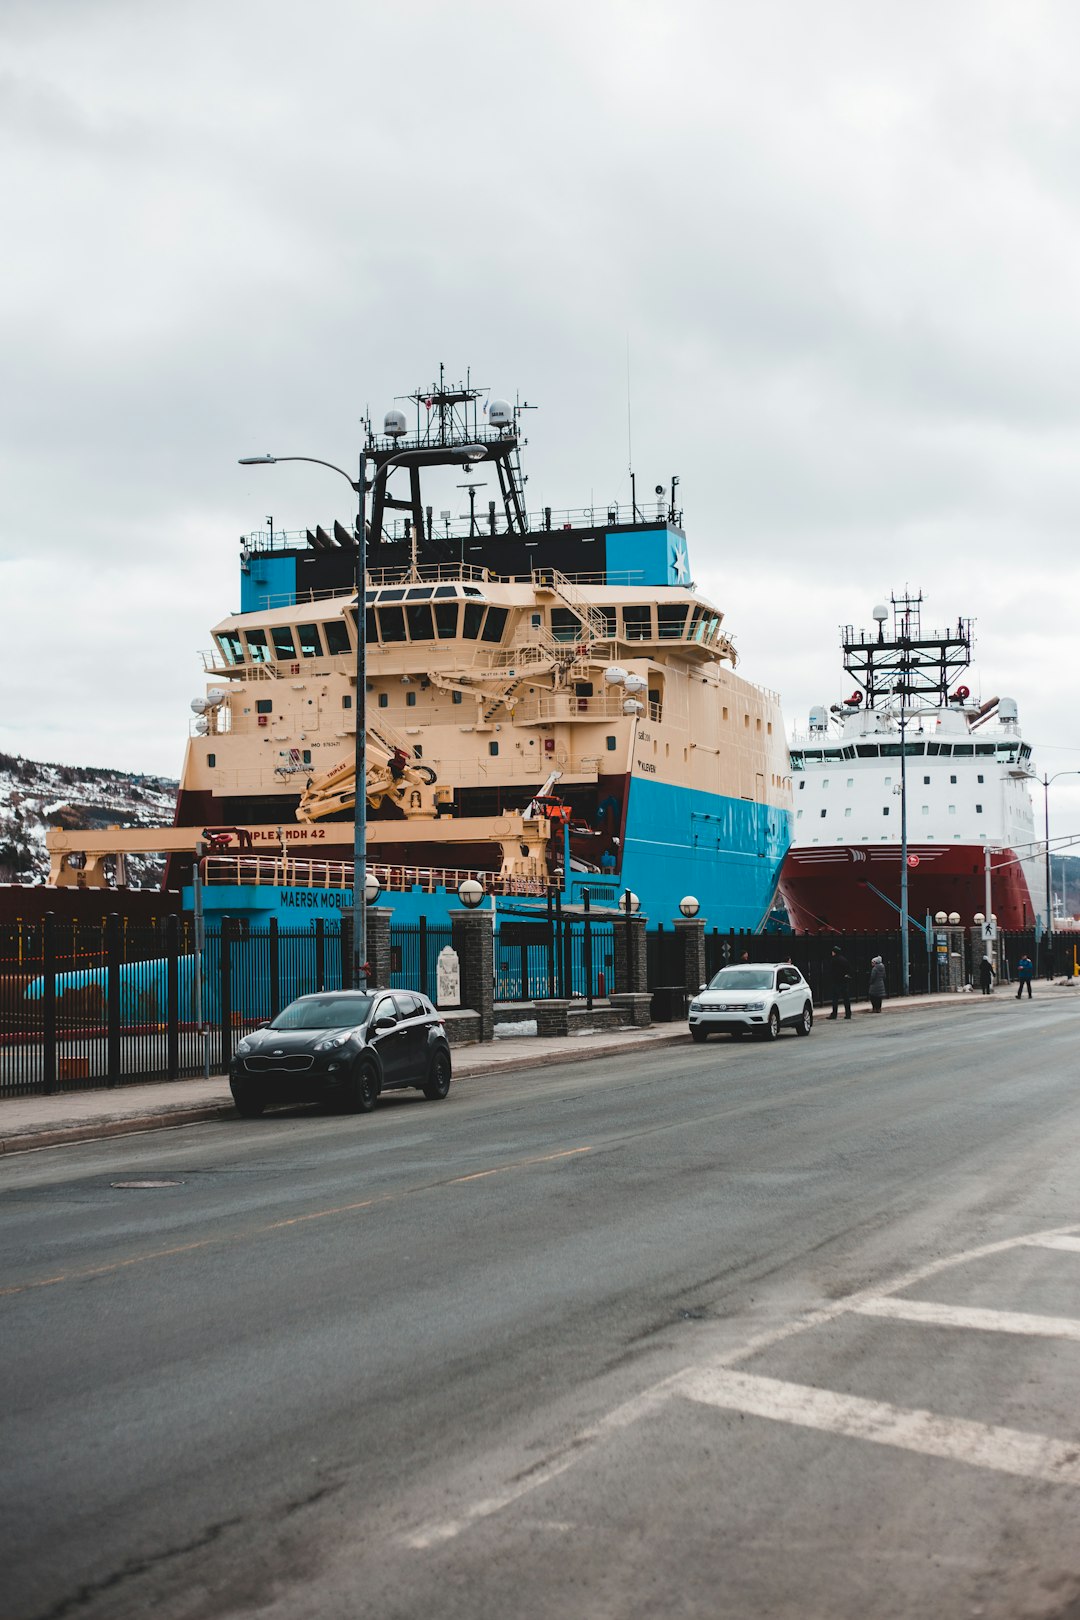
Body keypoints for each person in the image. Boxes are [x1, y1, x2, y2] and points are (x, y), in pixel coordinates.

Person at [827, 947, 852, 1020]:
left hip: (836, 982)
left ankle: (834, 1014)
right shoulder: (844, 960)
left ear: (834, 952)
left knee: (835, 999)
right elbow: (849, 970)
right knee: (846, 999)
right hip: (844, 981)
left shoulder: (834, 960)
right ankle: (848, 1014)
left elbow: (831, 971)